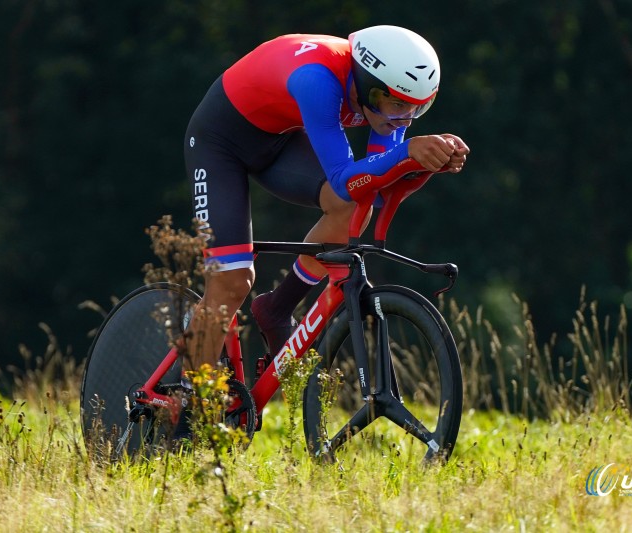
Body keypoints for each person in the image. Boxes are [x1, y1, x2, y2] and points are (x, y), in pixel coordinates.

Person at [183, 25, 469, 372]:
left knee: (351, 208)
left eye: (417, 109)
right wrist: (408, 151)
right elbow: (344, 179)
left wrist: (422, 163)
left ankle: (277, 307)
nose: (404, 119)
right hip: (219, 144)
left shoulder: (388, 96)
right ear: (366, 84)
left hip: (279, 139)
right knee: (232, 282)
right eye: (397, 105)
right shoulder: (317, 79)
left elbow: (373, 190)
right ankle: (188, 404)